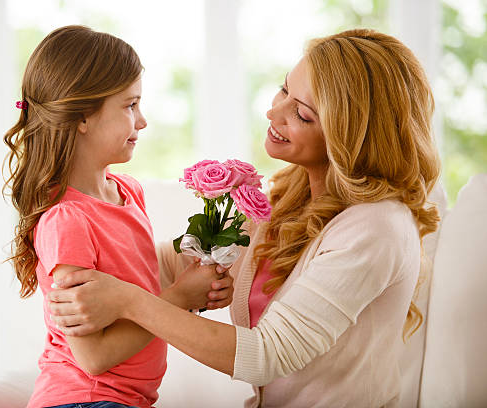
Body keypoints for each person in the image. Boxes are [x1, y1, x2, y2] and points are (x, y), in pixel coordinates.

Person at [47, 28, 441, 407]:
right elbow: (173, 263)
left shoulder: (377, 227)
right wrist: (81, 247)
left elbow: (268, 354)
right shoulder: (287, 202)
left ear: (352, 136)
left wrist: (130, 301)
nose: (273, 111)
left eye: (302, 114)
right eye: (284, 88)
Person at [3, 25, 233, 408]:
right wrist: (179, 297)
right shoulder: (67, 221)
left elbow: (140, 289)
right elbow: (93, 358)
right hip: (84, 400)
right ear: (82, 118)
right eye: (130, 105)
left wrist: (197, 286)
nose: (142, 120)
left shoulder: (128, 192)